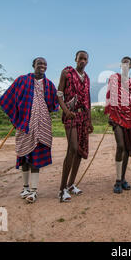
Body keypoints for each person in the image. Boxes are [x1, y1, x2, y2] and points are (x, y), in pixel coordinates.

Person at [0, 57, 59, 203]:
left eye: (45, 64)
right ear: (33, 65)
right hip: (24, 124)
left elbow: (54, 103)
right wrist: (16, 118)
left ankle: (33, 191)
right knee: (24, 157)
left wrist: (65, 100)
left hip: (42, 125)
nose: (42, 66)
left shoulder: (49, 84)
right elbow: (9, 98)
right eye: (39, 64)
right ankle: (25, 187)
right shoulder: (22, 80)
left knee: (36, 158)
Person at [57, 50, 93, 202]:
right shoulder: (67, 73)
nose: (82, 61)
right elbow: (59, 93)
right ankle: (62, 189)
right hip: (71, 115)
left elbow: (88, 99)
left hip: (83, 116)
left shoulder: (87, 78)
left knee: (79, 151)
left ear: (88, 61)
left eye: (85, 59)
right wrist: (65, 110)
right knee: (72, 148)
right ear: (76, 59)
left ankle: (71, 184)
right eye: (80, 58)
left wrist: (90, 120)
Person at [105, 57, 131, 194]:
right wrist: (110, 113)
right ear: (120, 65)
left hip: (130, 118)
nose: (125, 64)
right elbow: (109, 95)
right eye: (123, 62)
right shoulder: (113, 78)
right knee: (121, 146)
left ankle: (123, 178)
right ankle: (118, 180)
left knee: (127, 149)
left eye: (128, 63)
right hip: (116, 116)